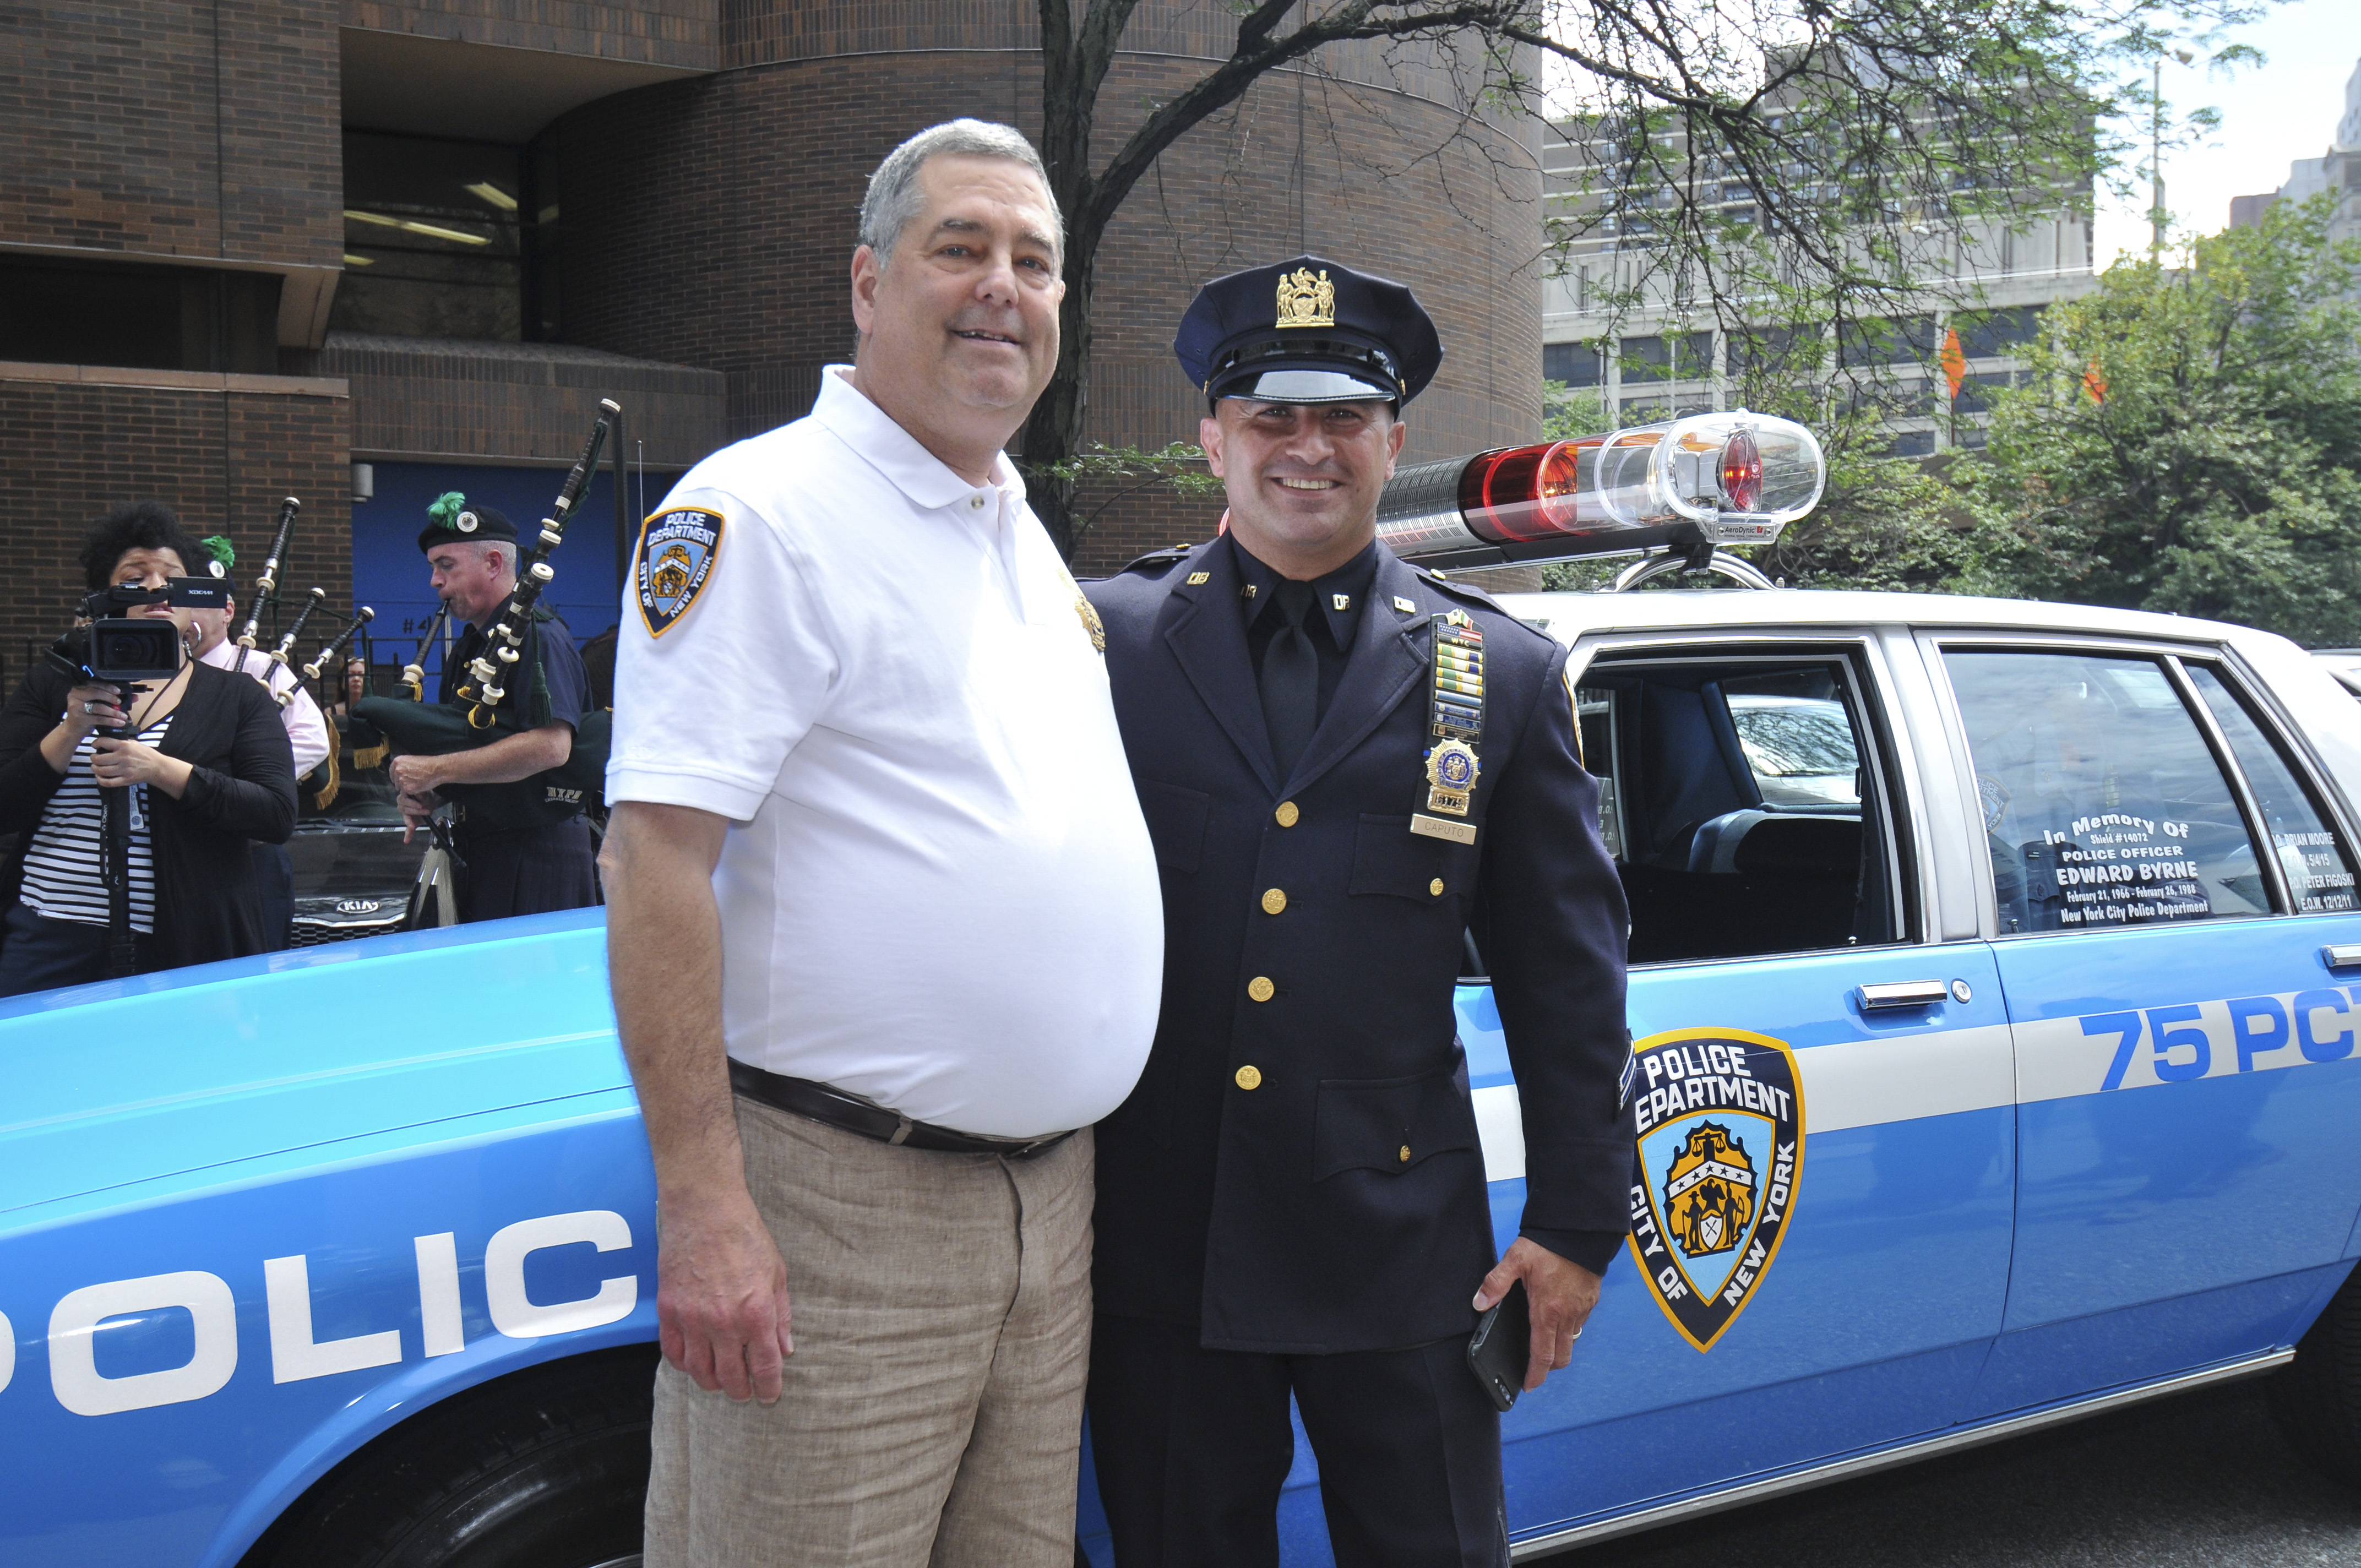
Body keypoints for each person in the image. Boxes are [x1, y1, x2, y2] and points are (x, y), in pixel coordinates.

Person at [600, 119, 1163, 1568]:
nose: (1003, 287)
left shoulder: (1016, 531)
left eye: (1035, 262)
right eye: (960, 248)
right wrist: (707, 1210)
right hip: (840, 1214)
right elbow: (655, 862)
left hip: (1050, 1200)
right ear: (866, 283)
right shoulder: (763, 513)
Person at [1081, 257, 1634, 1567]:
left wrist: (1572, 1225)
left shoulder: (1494, 670)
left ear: (1392, 440)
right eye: (1271, 417)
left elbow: (1568, 980)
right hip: (1166, 1244)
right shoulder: (1101, 648)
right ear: (1211, 437)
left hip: (1400, 1257)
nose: (1306, 449)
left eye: (1342, 418)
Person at [0, 502, 297, 993]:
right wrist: (71, 729)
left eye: (172, 577)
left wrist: (162, 770)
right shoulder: (54, 685)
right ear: (105, 597)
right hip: (49, 935)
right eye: (136, 578)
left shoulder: (237, 695)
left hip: (184, 944)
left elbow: (275, 813)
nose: (158, 588)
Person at [387, 493, 597, 921]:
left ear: (495, 564)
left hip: (537, 853)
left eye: (446, 565)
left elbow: (551, 747)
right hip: (485, 848)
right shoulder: (471, 647)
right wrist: (431, 791)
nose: (435, 581)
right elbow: (474, 747)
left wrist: (436, 771)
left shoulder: (539, 636)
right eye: (433, 567)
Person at [179, 536, 333, 948]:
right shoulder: (162, 679)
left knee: (256, 972)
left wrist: (247, 784)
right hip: (182, 856)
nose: (187, 613)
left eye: (200, 601)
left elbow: (312, 740)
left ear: (228, 610)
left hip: (251, 851)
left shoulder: (263, 668)